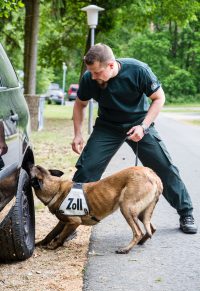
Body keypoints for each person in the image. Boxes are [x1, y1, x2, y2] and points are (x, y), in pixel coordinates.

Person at [71, 43, 197, 234]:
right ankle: (71, 221)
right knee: (85, 170)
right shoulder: (90, 78)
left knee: (164, 166)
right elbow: (79, 104)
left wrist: (144, 126)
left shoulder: (138, 70)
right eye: (91, 72)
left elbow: (159, 98)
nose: (93, 77)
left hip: (139, 123)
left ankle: (186, 212)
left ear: (111, 65)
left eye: (97, 72)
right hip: (108, 127)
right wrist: (78, 133)